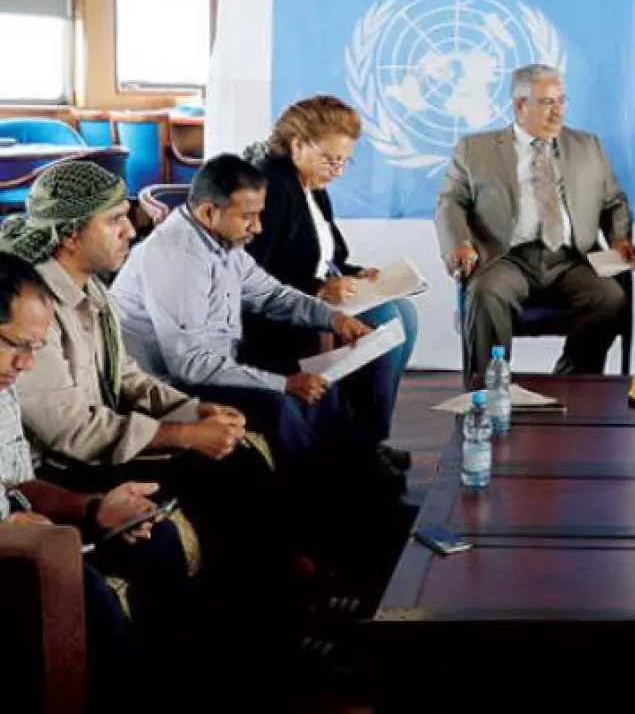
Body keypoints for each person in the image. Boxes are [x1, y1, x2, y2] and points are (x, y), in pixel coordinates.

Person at [0, 160, 280, 598]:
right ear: (72, 235)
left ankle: (267, 602)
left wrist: (193, 410)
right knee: (208, 486)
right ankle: (244, 618)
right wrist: (185, 435)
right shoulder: (36, 308)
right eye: (113, 221)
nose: (130, 229)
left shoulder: (92, 288)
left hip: (95, 447)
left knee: (236, 457)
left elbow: (126, 376)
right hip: (63, 466)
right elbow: (70, 430)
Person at [0, 251, 191, 711]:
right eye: (16, 345)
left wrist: (95, 507)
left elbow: (19, 484)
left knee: (154, 538)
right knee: (86, 592)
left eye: (35, 349)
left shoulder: (3, 391)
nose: (26, 365)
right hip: (14, 551)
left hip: (26, 538)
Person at [110, 156, 376, 468]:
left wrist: (333, 318)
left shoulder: (223, 242)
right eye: (248, 216)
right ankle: (316, 499)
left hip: (216, 365)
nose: (258, 227)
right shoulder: (176, 258)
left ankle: (353, 479)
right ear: (209, 212)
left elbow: (272, 295)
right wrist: (284, 383)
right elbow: (190, 366)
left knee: (322, 389)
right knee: (279, 405)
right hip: (168, 387)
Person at [241, 95, 419, 460]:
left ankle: (370, 436)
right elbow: (249, 273)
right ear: (298, 144)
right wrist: (319, 289)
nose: (338, 169)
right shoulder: (271, 188)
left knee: (407, 315)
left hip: (316, 294)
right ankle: (365, 448)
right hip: (278, 312)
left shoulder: (311, 187)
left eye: (344, 160)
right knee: (384, 321)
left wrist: (356, 273)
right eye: (330, 158)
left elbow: (328, 256)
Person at [437, 63, 635, 385]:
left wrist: (619, 239)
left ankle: (573, 382)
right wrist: (458, 242)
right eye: (547, 103)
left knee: (609, 298)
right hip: (507, 257)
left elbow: (614, 202)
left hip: (573, 259)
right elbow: (451, 202)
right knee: (485, 294)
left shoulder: (588, 146)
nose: (558, 112)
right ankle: (489, 389)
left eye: (561, 101)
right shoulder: (475, 150)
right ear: (519, 105)